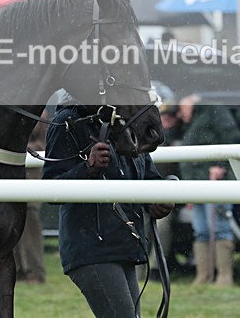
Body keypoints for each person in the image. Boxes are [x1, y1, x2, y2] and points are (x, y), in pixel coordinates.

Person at [42, 93, 173, 318]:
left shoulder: (126, 121)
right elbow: (52, 190)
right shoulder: (66, 121)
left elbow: (147, 178)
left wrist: (158, 200)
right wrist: (87, 169)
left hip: (124, 245)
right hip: (91, 248)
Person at [176, 94, 239, 286]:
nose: (179, 114)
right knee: (201, 230)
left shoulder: (214, 109)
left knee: (220, 228)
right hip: (197, 184)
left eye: (180, 108)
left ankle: (224, 277)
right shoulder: (193, 120)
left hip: (216, 181)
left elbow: (232, 137)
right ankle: (203, 276)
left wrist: (220, 165)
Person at [13, 113, 48, 284]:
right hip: (15, 176)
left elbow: (40, 142)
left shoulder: (39, 112)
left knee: (30, 221)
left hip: (32, 177)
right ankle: (19, 270)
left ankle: (35, 271)